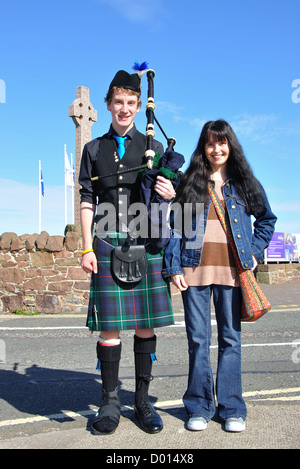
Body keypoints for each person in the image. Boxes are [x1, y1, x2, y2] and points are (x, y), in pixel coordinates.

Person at [79, 67, 176, 435]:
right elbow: (87, 200)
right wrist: (86, 246)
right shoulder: (93, 149)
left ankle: (142, 401)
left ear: (139, 106)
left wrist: (171, 192)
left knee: (145, 326)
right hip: (105, 242)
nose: (124, 108)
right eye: (118, 102)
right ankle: (109, 401)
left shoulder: (151, 148)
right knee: (110, 328)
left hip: (144, 240)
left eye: (131, 103)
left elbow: (170, 193)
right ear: (108, 105)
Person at [162, 120, 276, 432]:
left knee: (230, 340)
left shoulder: (243, 182)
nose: (217, 149)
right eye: (211, 144)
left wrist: (253, 251)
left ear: (230, 145)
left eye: (222, 143)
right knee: (198, 341)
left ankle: (232, 409)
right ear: (204, 147)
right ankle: (198, 407)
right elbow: (174, 227)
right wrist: (172, 267)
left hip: (233, 271)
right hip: (193, 270)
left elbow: (267, 219)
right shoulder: (191, 182)